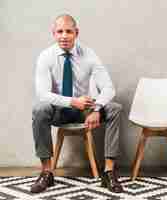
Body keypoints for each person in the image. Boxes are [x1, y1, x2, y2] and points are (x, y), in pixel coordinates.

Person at [31, 14, 123, 193]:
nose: (64, 36)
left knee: (114, 108)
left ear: (76, 33)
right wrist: (72, 101)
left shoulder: (89, 54)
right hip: (59, 110)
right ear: (54, 33)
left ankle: (109, 172)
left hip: (85, 109)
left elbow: (109, 88)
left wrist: (96, 108)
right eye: (60, 31)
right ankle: (46, 173)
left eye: (68, 31)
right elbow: (42, 94)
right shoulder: (46, 56)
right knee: (39, 108)